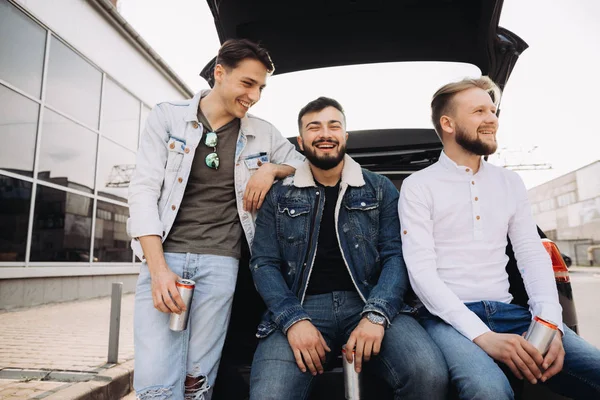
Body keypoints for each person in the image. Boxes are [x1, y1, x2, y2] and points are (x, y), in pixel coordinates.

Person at [398, 76, 600, 399]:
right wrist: (483, 336)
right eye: (479, 111)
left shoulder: (510, 182)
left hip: (509, 312)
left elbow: (531, 255)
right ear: (447, 123)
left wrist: (550, 324)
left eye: (493, 111)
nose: (492, 119)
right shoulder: (418, 186)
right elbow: (422, 275)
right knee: (488, 390)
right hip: (446, 319)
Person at [127, 38, 305, 400]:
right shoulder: (168, 116)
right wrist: (158, 269)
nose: (254, 96)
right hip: (166, 257)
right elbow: (143, 191)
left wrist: (271, 168)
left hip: (222, 263)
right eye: (247, 83)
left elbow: (304, 167)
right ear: (220, 74)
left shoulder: (263, 133)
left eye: (260, 88)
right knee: (155, 380)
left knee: (197, 379)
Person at [248, 96, 448, 400]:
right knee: (268, 396)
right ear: (301, 141)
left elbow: (396, 256)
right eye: (314, 127)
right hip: (300, 304)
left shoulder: (380, 188)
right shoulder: (279, 196)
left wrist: (377, 315)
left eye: (333, 126)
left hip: (369, 298)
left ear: (345, 136)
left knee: (428, 374)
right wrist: (293, 319)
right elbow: (263, 263)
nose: (325, 134)